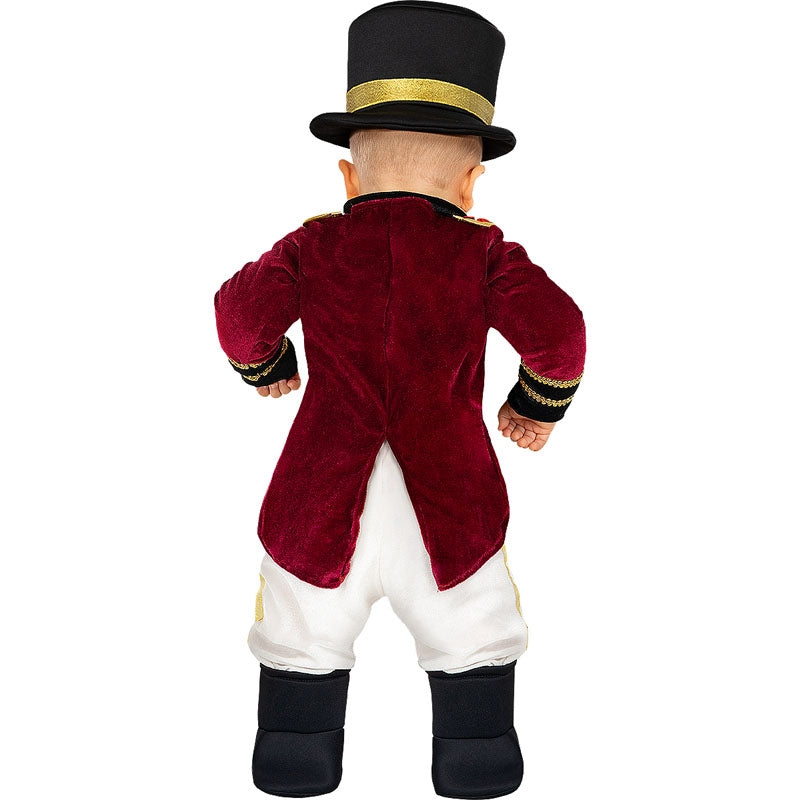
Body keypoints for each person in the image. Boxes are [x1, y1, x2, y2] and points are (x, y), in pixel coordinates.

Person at [214, 3, 586, 798]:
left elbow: (238, 315)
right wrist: (535, 405)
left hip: (320, 494)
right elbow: (560, 332)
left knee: (302, 627)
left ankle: (295, 754)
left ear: (348, 177)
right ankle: (476, 756)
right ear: (471, 182)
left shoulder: (310, 245)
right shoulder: (484, 252)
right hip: (447, 501)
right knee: (473, 626)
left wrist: (269, 365)